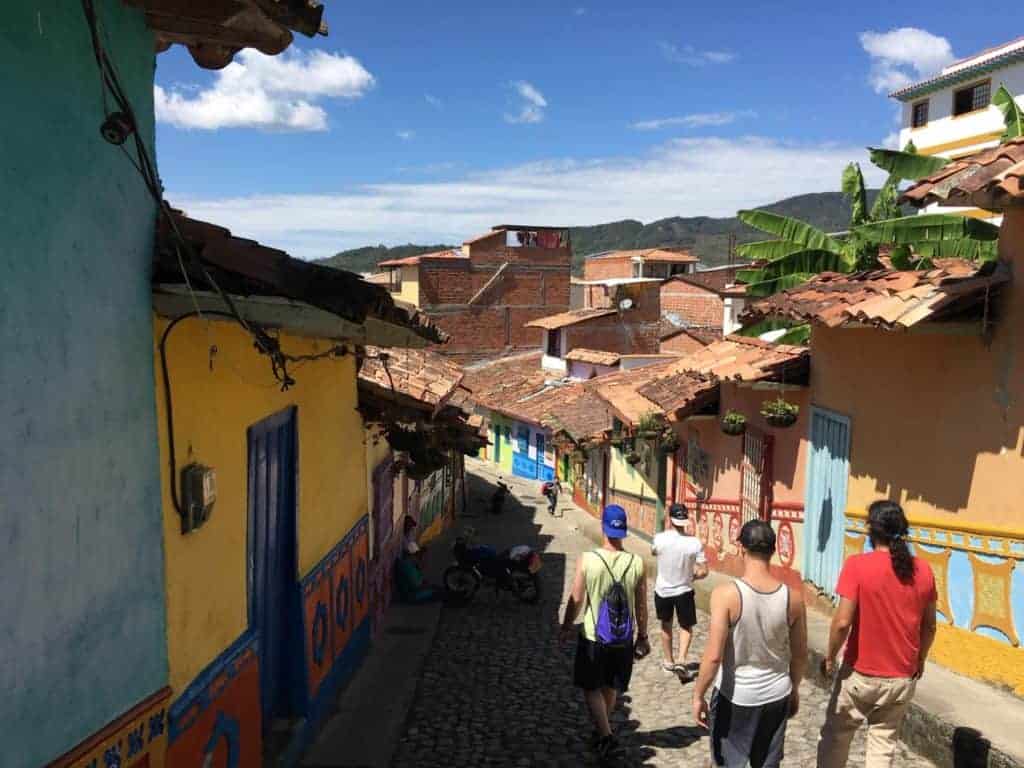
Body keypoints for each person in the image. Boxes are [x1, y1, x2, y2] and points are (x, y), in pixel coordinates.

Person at [817, 500, 938, 768]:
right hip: (902, 676)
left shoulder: (857, 565)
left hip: (860, 674)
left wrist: (829, 657)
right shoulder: (924, 570)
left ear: (871, 530)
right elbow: (929, 626)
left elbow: (842, 622)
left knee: (836, 738)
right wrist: (920, 659)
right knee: (883, 745)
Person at [692, 519, 808, 768]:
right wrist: (794, 689)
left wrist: (698, 694)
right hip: (777, 694)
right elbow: (799, 655)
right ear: (774, 551)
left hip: (736, 696)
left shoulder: (725, 595)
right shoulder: (794, 599)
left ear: (741, 548)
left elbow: (713, 657)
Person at [560, 504, 650, 759]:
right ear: (624, 532)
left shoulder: (588, 559)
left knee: (590, 687)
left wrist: (567, 626)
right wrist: (642, 636)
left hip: (593, 636)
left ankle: (607, 736)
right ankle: (602, 731)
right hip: (623, 638)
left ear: (604, 528)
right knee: (611, 685)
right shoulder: (637, 563)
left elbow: (577, 597)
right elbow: (642, 605)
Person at [652, 503, 708, 676]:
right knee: (685, 626)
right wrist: (695, 576)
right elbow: (704, 570)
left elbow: (654, 552)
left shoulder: (659, 539)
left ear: (670, 518)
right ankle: (682, 660)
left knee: (666, 625)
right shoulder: (695, 543)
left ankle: (668, 662)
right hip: (684, 590)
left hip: (662, 591)